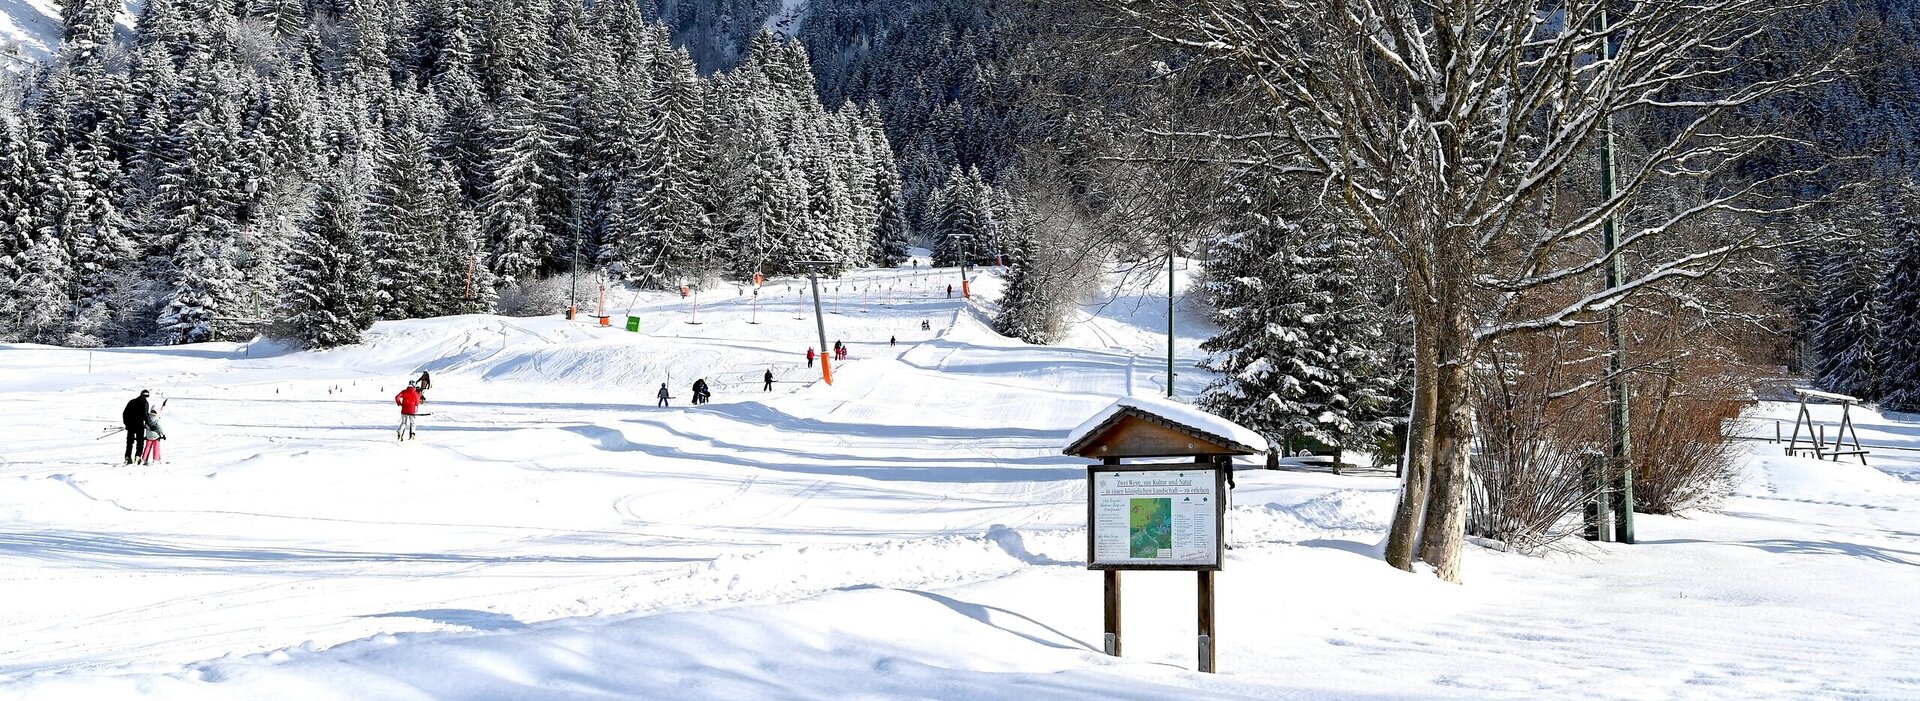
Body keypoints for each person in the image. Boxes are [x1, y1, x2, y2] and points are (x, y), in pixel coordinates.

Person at [121, 390, 151, 464]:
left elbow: (125, 414)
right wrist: (150, 424)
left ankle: (127, 457)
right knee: (140, 442)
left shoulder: (132, 401)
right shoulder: (145, 403)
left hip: (130, 425)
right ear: (147, 396)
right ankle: (137, 457)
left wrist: (127, 424)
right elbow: (145, 415)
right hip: (139, 425)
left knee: (129, 442)